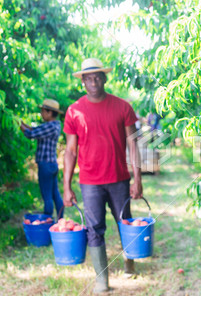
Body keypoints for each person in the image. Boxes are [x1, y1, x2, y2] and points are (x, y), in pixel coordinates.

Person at [63, 58, 143, 294]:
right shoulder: (74, 110)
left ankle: (130, 262)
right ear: (83, 81)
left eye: (97, 76)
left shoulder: (122, 107)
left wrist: (137, 178)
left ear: (105, 78)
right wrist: (67, 186)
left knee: (124, 221)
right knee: (94, 228)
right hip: (90, 181)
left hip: (119, 177)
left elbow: (133, 143)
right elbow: (70, 150)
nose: (94, 81)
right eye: (88, 77)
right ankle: (102, 279)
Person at [20, 99, 64, 218]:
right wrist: (22, 123)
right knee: (55, 193)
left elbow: (31, 134)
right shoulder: (54, 125)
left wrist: (20, 125)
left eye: (43, 111)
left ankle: (47, 220)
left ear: (50, 113)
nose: (41, 114)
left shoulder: (50, 126)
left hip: (45, 165)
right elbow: (34, 129)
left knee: (47, 195)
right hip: (52, 165)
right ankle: (61, 219)